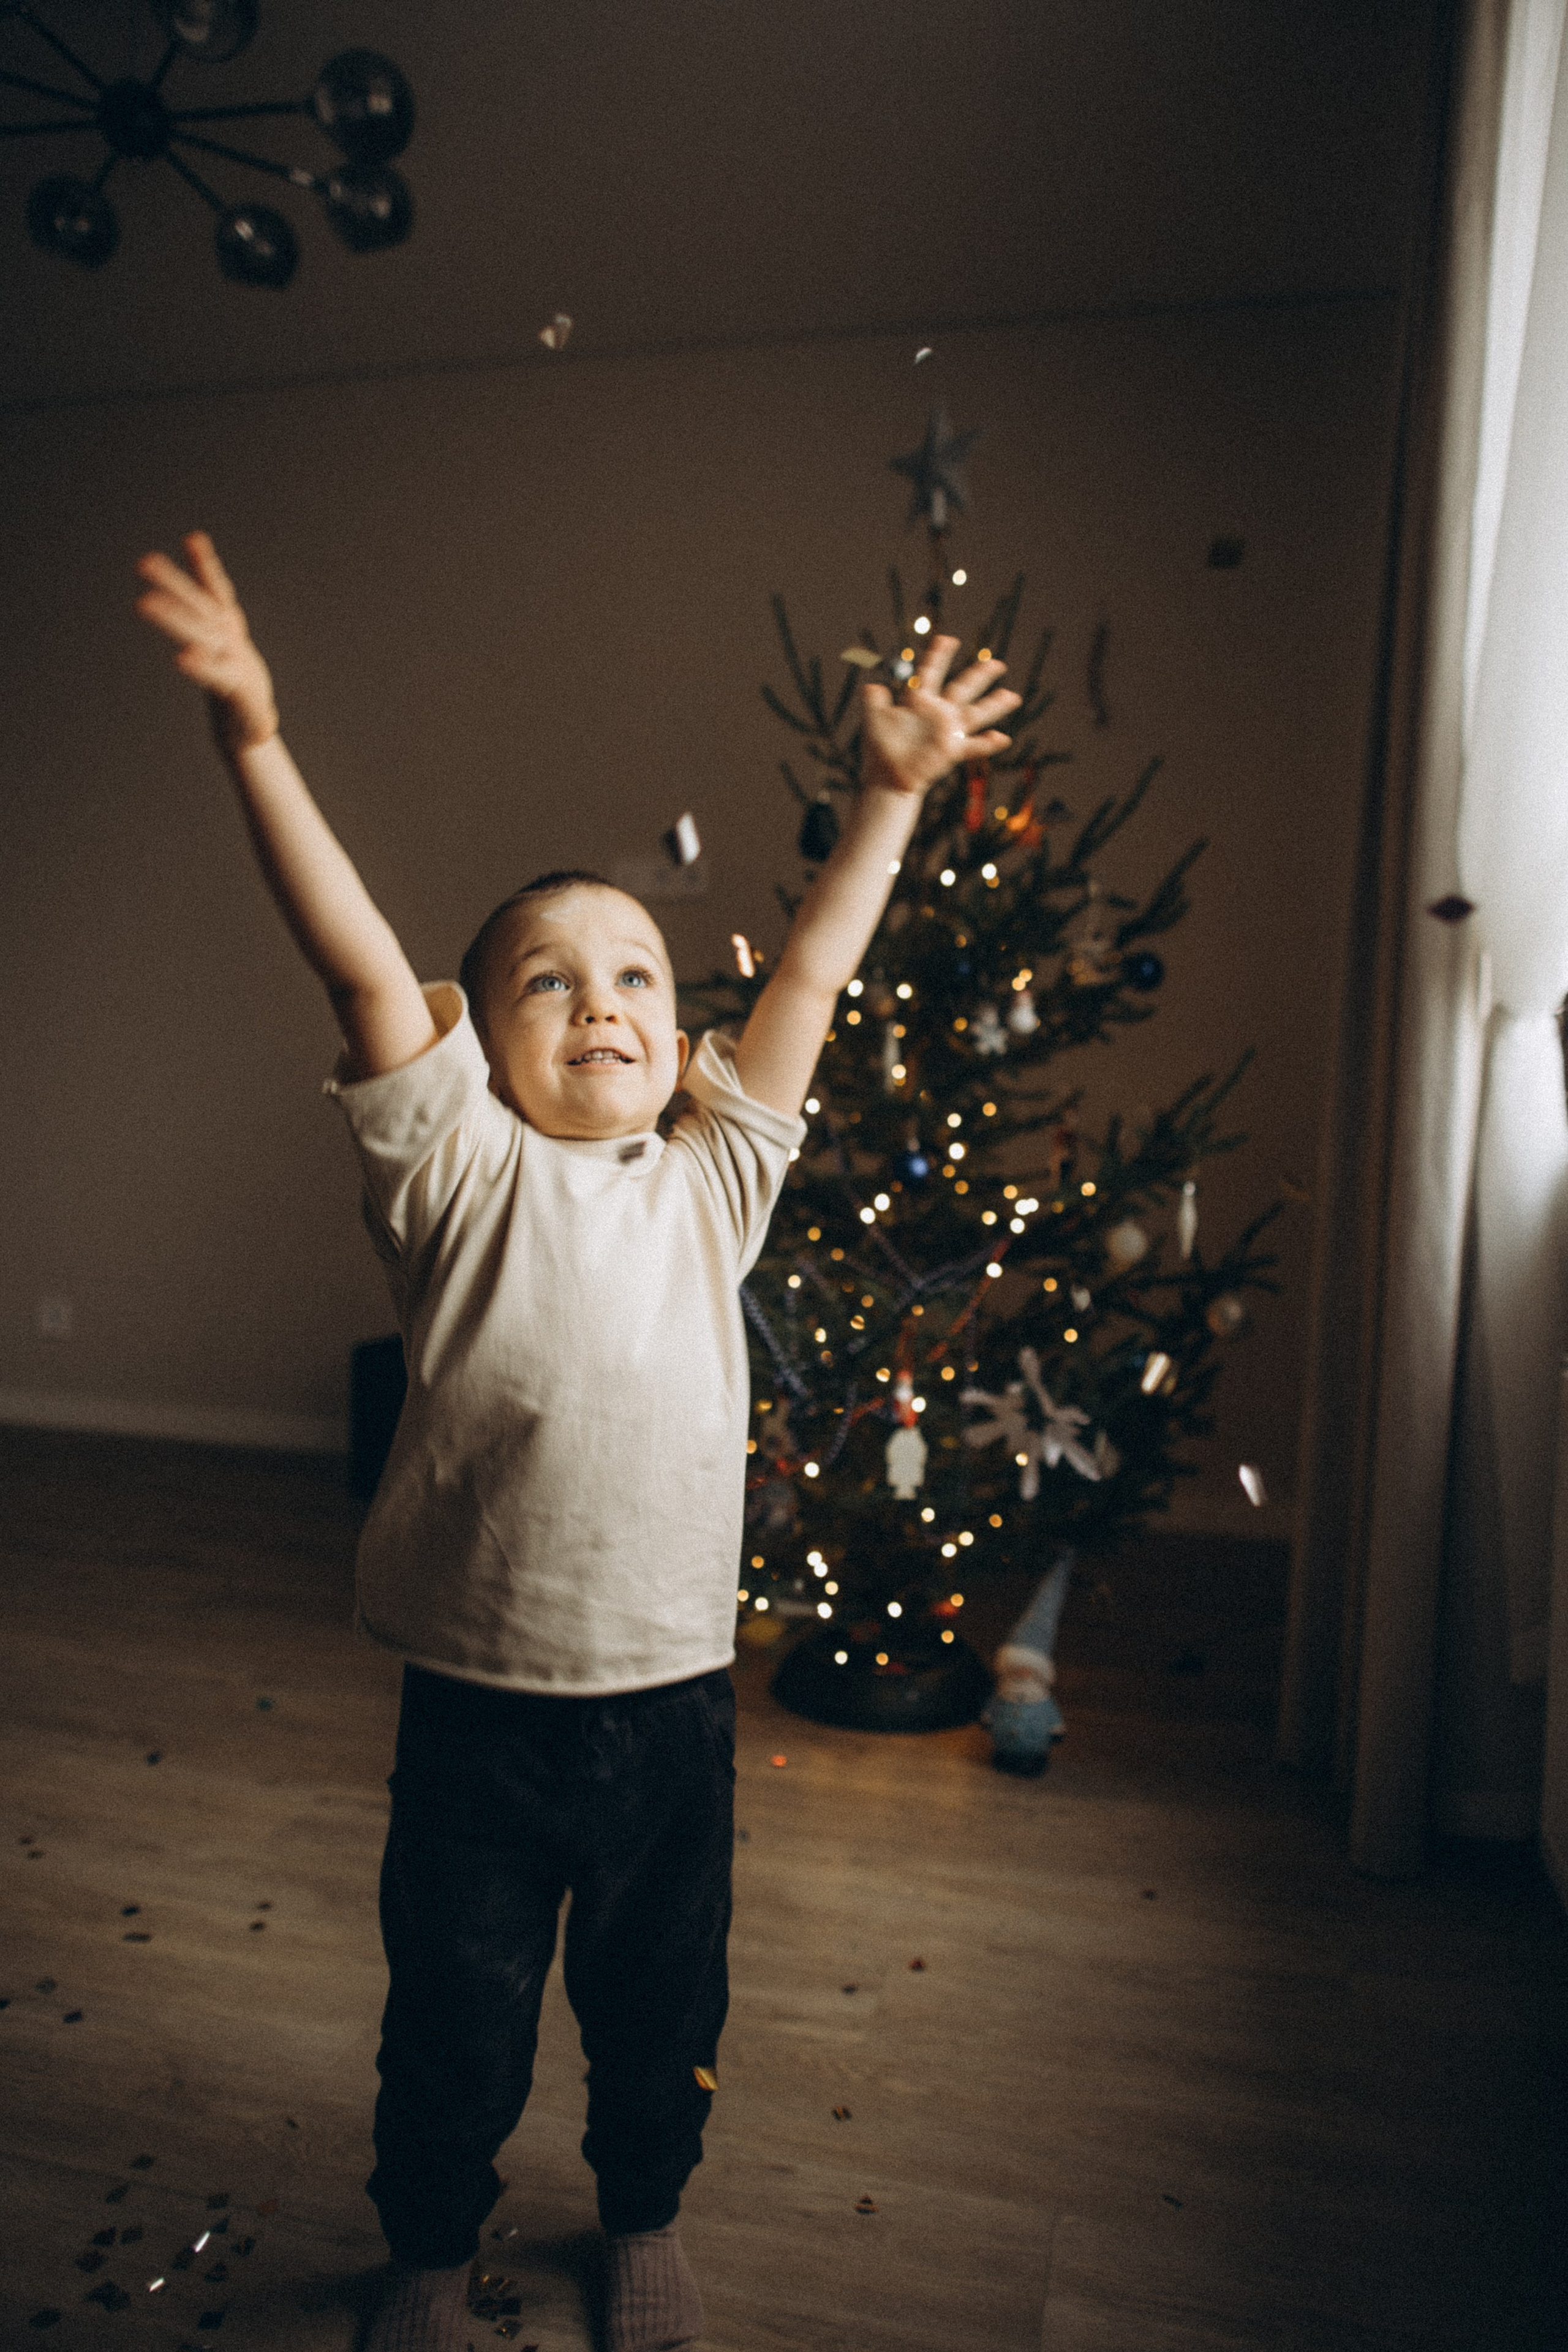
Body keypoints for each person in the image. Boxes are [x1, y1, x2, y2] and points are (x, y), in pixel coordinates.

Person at [134, 530, 1018, 2352]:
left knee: (657, 2007)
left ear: (682, 1038)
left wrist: (889, 802)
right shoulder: (452, 1173)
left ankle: (639, 2220)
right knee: (453, 2011)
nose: (601, 1000)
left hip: (673, 1708)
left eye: (633, 975)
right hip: (474, 1704)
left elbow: (813, 988)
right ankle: (425, 2250)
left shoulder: (715, 1178)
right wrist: (252, 740)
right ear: (478, 1046)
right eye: (546, 980)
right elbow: (363, 966)